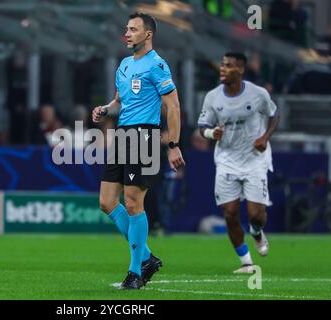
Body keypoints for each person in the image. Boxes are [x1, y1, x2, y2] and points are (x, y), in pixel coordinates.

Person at [92, 12, 185, 289]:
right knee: (107, 202)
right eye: (126, 29)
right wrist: (106, 109)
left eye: (133, 29)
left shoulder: (157, 65)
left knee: (133, 203)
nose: (127, 33)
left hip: (144, 135)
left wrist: (173, 145)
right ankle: (146, 258)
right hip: (122, 135)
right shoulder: (123, 65)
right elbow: (121, 100)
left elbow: (174, 106)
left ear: (148, 34)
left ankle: (135, 273)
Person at [197, 52, 280, 273]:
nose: (223, 69)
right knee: (230, 213)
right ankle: (246, 262)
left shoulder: (257, 94)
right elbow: (202, 125)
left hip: (255, 160)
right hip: (226, 161)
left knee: (256, 215)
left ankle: (256, 231)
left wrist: (265, 137)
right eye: (222, 65)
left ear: (241, 70)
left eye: (229, 66)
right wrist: (210, 134)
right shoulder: (213, 97)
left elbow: (274, 114)